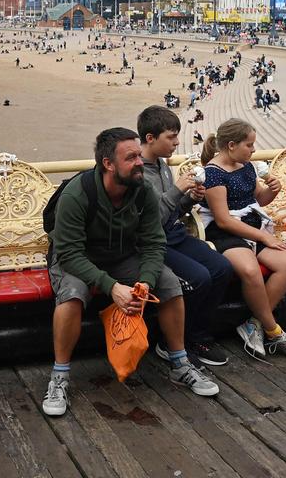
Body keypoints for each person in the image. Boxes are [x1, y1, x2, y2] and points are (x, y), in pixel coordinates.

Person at [42, 128, 219, 418]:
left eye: (139, 155)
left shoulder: (142, 190)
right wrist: (112, 287)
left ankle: (180, 363)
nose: (140, 162)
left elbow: (153, 243)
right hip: (77, 257)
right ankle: (59, 376)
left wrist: (145, 283)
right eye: (131, 157)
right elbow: (70, 253)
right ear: (108, 164)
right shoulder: (78, 193)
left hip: (122, 254)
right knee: (73, 294)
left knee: (168, 282)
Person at [198, 119, 286, 359]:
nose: (254, 150)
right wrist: (264, 238)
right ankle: (274, 330)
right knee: (250, 271)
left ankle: (254, 323)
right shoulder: (213, 174)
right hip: (225, 232)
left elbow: (259, 199)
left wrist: (273, 190)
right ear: (232, 145)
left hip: (251, 227)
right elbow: (224, 220)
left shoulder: (245, 165)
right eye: (250, 145)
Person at [138, 106, 232, 365]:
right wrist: (175, 192)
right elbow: (150, 222)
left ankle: (196, 335)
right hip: (153, 242)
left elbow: (172, 212)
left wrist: (189, 199)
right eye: (171, 137)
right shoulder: (137, 173)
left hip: (174, 233)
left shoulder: (162, 166)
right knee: (199, 277)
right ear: (150, 138)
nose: (177, 142)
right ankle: (171, 342)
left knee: (222, 267)